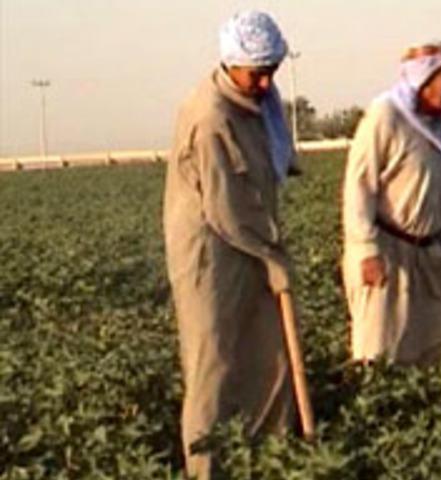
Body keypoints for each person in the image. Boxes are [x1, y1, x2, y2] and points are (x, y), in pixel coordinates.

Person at [162, 11, 298, 479]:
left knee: (270, 353)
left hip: (253, 241)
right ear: (231, 63)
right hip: (211, 255)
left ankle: (271, 458)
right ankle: (209, 470)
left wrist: (268, 249)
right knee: (214, 363)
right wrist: (274, 256)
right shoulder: (211, 116)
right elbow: (228, 208)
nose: (265, 83)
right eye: (256, 73)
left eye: (271, 72)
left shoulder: (256, 102)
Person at [341, 41, 441, 366]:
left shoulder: (439, 129)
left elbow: (436, 200)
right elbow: (358, 188)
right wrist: (365, 252)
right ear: (426, 78)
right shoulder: (385, 116)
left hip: (428, 252)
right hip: (386, 253)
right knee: (380, 351)